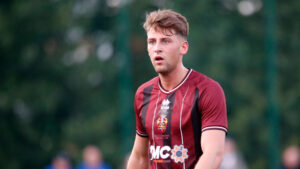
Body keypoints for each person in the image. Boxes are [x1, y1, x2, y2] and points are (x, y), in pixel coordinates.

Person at [127, 9, 228, 169]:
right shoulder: (143, 93)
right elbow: (140, 157)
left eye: (165, 41)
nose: (157, 48)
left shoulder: (207, 90)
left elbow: (213, 153)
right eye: (152, 41)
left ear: (183, 48)